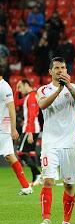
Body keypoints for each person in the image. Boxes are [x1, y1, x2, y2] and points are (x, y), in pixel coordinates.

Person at [37, 57, 75, 224]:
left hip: (70, 143)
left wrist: (69, 87)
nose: (60, 70)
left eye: (63, 68)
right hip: (50, 143)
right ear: (50, 72)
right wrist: (59, 90)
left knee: (69, 185)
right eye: (56, 68)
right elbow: (42, 105)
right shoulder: (43, 90)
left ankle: (66, 222)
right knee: (48, 180)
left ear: (67, 70)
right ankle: (46, 220)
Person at [0, 65, 32, 195]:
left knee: (9, 155)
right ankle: (26, 186)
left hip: (3, 128)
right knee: (9, 156)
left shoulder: (4, 87)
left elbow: (12, 108)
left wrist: (13, 129)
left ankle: (26, 186)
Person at [15, 79, 41, 186]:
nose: (20, 90)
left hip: (30, 129)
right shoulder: (28, 97)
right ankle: (36, 178)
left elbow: (32, 115)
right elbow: (16, 103)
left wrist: (29, 132)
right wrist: (16, 91)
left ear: (26, 85)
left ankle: (38, 174)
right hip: (32, 128)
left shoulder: (31, 97)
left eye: (20, 87)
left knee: (20, 152)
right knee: (30, 152)